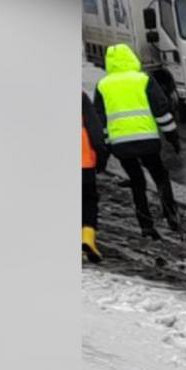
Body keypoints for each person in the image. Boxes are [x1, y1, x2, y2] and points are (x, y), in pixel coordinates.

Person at [94, 43, 181, 239]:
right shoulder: (144, 80)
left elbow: (101, 121)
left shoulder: (103, 86)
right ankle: (170, 214)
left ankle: (145, 224)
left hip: (121, 145)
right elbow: (161, 111)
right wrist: (172, 137)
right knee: (160, 175)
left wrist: (106, 148)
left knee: (137, 181)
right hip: (147, 140)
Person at [82, 91, 109, 263]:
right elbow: (96, 133)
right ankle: (87, 238)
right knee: (88, 200)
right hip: (83, 161)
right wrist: (101, 158)